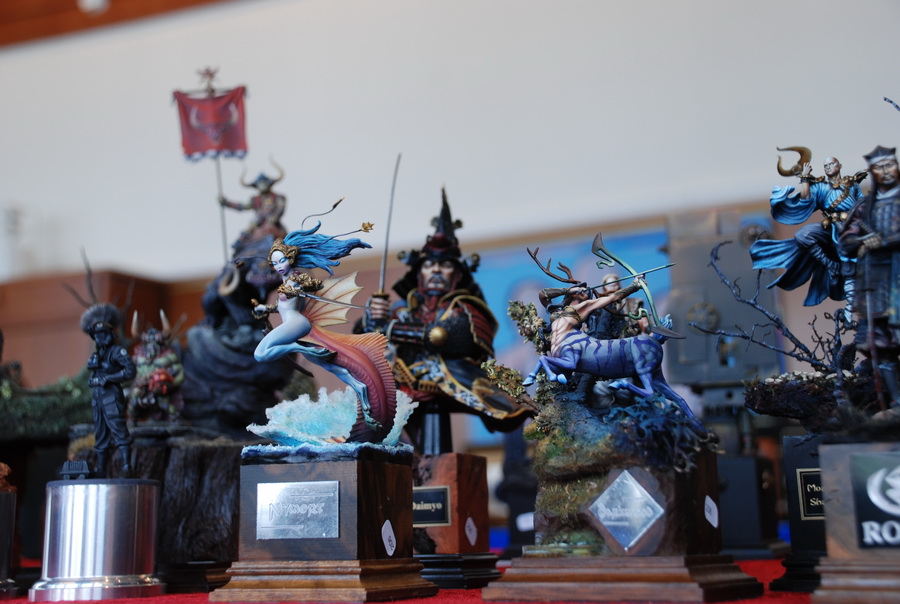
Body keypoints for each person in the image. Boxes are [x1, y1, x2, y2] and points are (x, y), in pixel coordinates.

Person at [359, 193, 531, 454]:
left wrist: (389, 328)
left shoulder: (465, 307)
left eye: (444, 265)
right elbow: (367, 341)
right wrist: (373, 319)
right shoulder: (404, 310)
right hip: (403, 384)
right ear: (420, 273)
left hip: (455, 379)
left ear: (457, 274)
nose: (436, 270)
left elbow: (442, 336)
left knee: (511, 407)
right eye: (429, 265)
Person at [251, 223, 397, 441]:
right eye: (275, 263)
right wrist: (267, 309)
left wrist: (301, 288)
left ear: (291, 258)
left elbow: (314, 285)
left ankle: (297, 347)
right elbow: (284, 307)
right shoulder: (285, 281)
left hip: (297, 325)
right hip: (294, 323)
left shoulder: (296, 278)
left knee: (260, 354)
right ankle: (362, 392)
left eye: (282, 261)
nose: (279, 266)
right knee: (334, 367)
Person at [750, 153, 866, 307]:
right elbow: (806, 199)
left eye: (831, 164)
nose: (828, 167)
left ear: (839, 166)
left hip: (852, 227)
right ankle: (831, 265)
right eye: (825, 166)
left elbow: (863, 204)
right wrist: (805, 179)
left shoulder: (852, 185)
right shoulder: (821, 186)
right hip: (830, 227)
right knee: (802, 235)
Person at [839, 146, 900, 407]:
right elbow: (846, 241)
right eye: (879, 167)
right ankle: (896, 403)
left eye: (890, 164)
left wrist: (886, 241)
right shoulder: (865, 207)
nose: (886, 171)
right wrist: (865, 240)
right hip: (877, 282)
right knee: (881, 345)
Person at [80, 303, 137, 478]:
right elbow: (93, 374)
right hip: (97, 397)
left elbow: (130, 371)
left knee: (119, 430)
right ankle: (101, 469)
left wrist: (109, 378)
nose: (100, 338)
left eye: (103, 334)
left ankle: (126, 466)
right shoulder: (97, 355)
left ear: (110, 334)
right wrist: (94, 380)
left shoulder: (118, 352)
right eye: (97, 336)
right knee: (100, 433)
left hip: (111, 395)